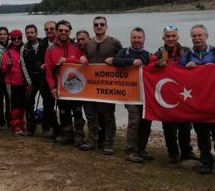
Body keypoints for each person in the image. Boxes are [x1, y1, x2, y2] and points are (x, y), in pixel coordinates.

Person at [178, 24, 215, 174]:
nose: (197, 38)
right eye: (194, 36)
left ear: (206, 36)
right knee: (202, 134)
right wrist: (186, 66)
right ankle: (206, 161)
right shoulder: (187, 54)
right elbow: (177, 73)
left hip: (214, 100)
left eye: (199, 35)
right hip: (196, 102)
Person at [79, 16, 122, 155]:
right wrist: (82, 57)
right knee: (91, 115)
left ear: (106, 26)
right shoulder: (88, 43)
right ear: (93, 27)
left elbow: (123, 59)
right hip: (90, 86)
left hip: (108, 87)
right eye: (96, 24)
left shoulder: (114, 42)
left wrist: (115, 59)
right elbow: (84, 56)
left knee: (108, 116)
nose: (99, 26)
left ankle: (108, 143)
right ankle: (92, 140)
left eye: (101, 24)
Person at [154, 24, 195, 163]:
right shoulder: (158, 53)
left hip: (184, 94)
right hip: (167, 95)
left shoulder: (187, 51)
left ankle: (186, 151)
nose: (171, 38)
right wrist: (157, 65)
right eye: (168, 36)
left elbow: (200, 63)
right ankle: (173, 153)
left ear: (177, 37)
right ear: (163, 38)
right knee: (169, 127)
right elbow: (148, 68)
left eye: (173, 36)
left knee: (185, 126)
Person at [112, 27, 153, 163]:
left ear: (144, 39)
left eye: (139, 38)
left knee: (146, 122)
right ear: (130, 39)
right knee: (134, 121)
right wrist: (131, 62)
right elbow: (116, 61)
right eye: (134, 38)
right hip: (130, 95)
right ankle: (130, 150)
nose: (136, 40)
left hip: (145, 96)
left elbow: (154, 70)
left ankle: (141, 149)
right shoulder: (125, 51)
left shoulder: (148, 55)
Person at [44, 20, 85, 147]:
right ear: (56, 31)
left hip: (77, 87)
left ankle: (79, 135)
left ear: (69, 32)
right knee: (63, 112)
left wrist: (68, 60)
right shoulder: (50, 49)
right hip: (61, 87)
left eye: (66, 31)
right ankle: (67, 134)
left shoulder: (76, 47)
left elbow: (82, 63)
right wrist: (52, 88)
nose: (63, 33)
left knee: (78, 112)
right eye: (61, 30)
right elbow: (48, 71)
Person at [1, 29, 27, 135]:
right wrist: (7, 64)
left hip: (24, 82)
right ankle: (15, 126)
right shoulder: (8, 52)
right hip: (12, 83)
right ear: (10, 39)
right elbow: (3, 70)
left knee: (22, 105)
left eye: (18, 38)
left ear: (21, 38)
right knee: (15, 105)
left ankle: (21, 124)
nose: (16, 40)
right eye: (13, 39)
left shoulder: (25, 49)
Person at [37, 21, 59, 138]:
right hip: (46, 79)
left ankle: (66, 128)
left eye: (51, 28)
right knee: (48, 105)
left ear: (56, 29)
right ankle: (52, 127)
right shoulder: (42, 43)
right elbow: (38, 60)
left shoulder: (63, 41)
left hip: (61, 79)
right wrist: (41, 65)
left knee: (63, 105)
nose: (49, 31)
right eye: (46, 29)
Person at [21, 24, 42, 135]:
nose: (29, 34)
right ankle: (30, 128)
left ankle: (48, 127)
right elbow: (23, 66)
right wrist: (28, 82)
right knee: (28, 103)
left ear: (36, 33)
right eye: (27, 33)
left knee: (48, 103)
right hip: (31, 80)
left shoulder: (44, 44)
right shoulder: (24, 48)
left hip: (44, 78)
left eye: (31, 32)